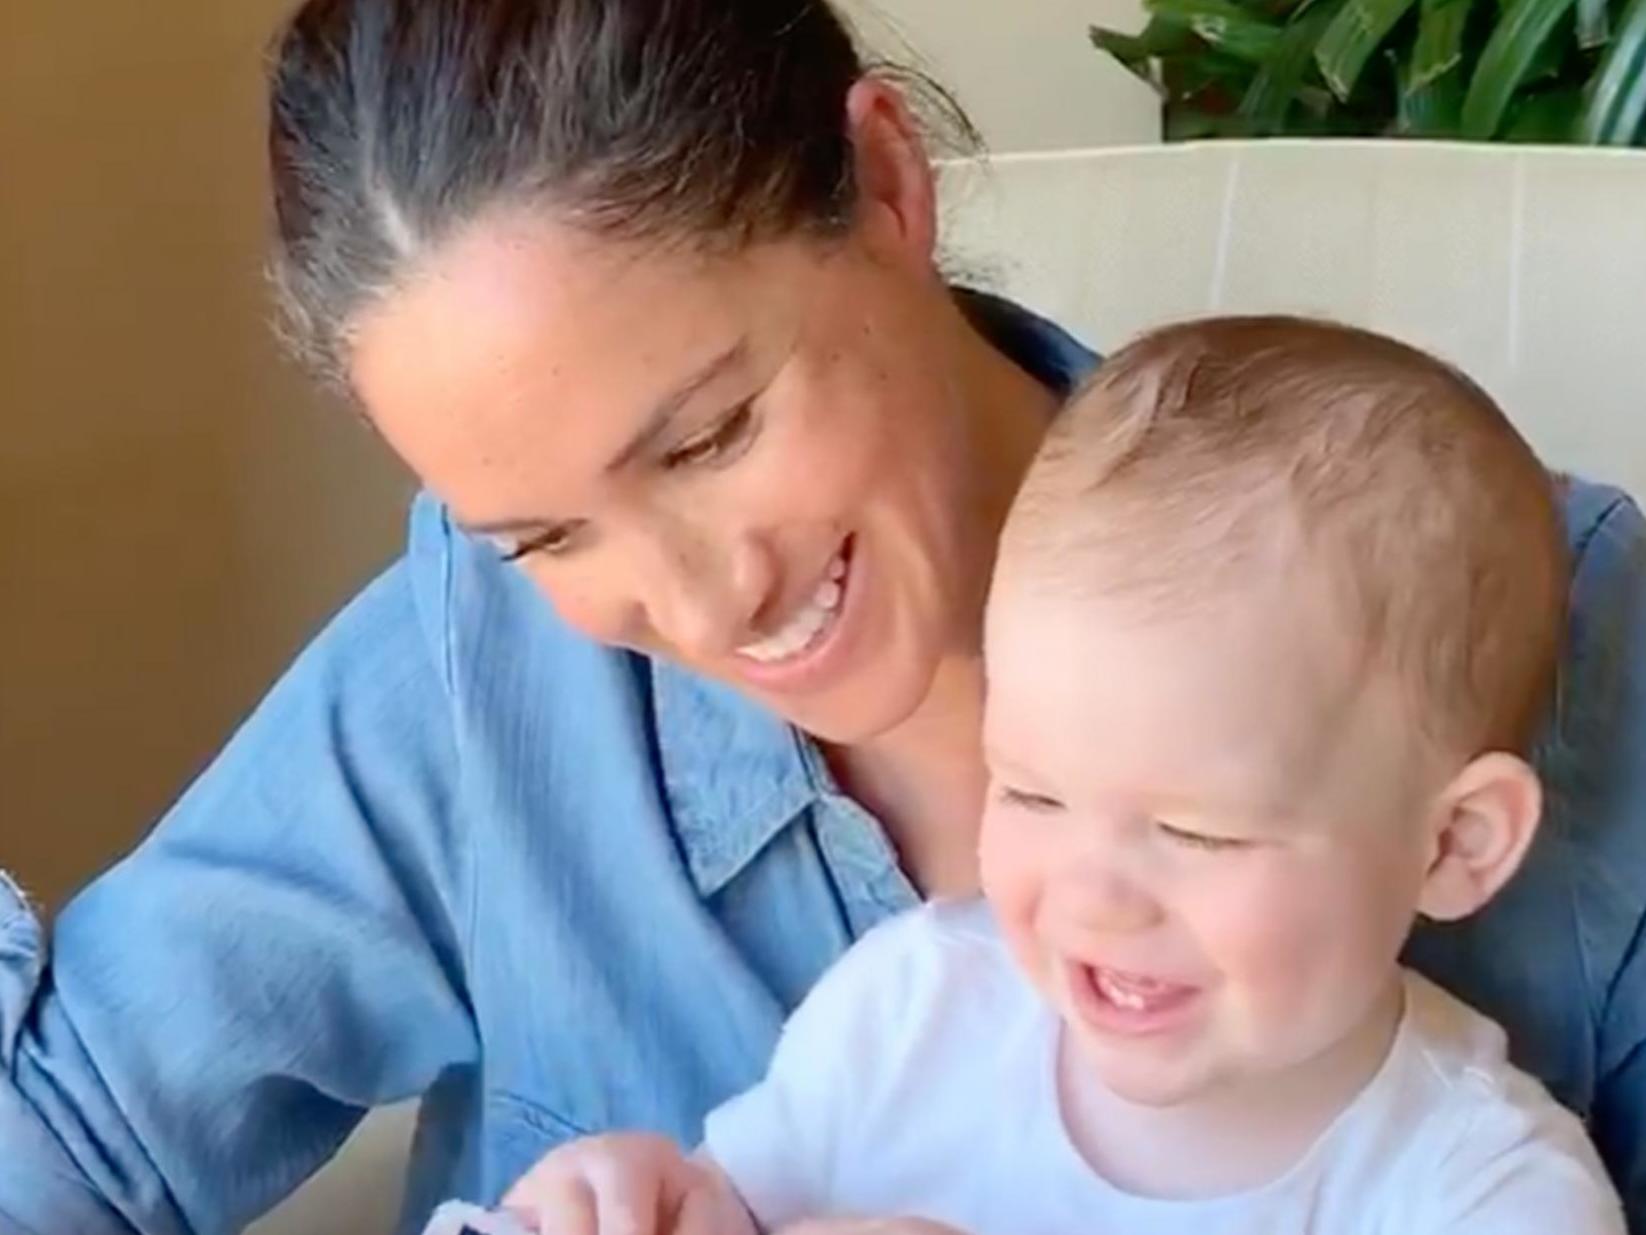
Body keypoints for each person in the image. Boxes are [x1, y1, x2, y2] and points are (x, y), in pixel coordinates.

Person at [0, 0, 1643, 1231]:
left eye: (710, 435)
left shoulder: (1568, 643)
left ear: (881, 184)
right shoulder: (479, 672)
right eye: (543, 534)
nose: (707, 604)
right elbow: (68, 1140)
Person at [501, 317, 1625, 1235]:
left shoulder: (1482, 1192)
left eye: (1193, 830)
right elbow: (726, 1204)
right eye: (1030, 791)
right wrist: (638, 1205)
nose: (1087, 895)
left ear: (1454, 841)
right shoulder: (910, 1011)